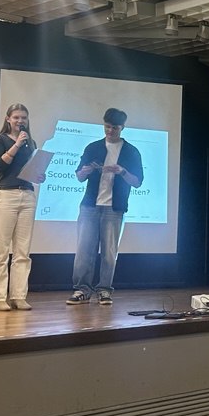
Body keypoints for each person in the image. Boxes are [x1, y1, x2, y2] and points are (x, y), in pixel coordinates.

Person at [67, 108, 143, 306]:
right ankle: (82, 290)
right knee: (84, 251)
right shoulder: (93, 147)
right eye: (107, 126)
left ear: (122, 127)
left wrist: (122, 171)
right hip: (89, 206)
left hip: (114, 208)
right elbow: (79, 176)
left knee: (109, 253)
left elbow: (137, 182)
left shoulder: (131, 151)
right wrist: (85, 171)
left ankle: (104, 290)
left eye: (114, 128)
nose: (109, 131)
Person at [0, 103, 45, 312]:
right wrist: (17, 144)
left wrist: (39, 175)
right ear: (8, 119)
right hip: (6, 195)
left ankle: (19, 296)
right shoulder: (0, 139)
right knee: (0, 249)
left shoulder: (31, 142)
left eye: (24, 118)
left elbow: (29, 169)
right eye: (17, 117)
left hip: (27, 195)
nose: (20, 121)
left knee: (22, 251)